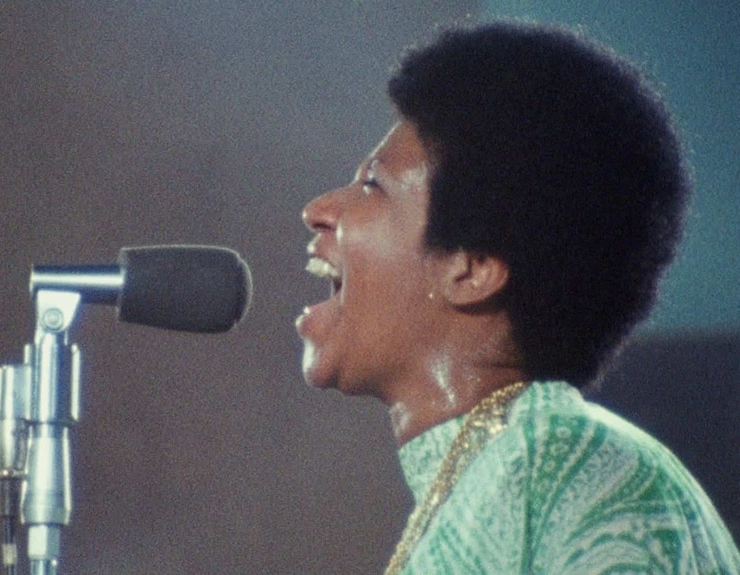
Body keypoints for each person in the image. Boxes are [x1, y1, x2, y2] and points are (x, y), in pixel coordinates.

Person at [294, 21, 740, 574]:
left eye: (373, 186)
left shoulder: (580, 476)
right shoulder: (508, 474)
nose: (319, 209)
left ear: (473, 269)